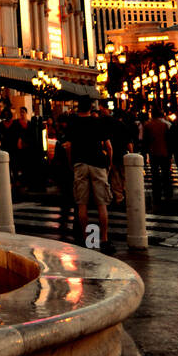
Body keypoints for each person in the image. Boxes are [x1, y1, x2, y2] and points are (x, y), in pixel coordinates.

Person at [63, 96, 113, 251]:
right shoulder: (98, 122)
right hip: (98, 163)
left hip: (80, 163)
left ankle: (87, 239)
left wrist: (72, 163)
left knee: (82, 204)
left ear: (78, 108)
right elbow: (109, 146)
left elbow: (69, 146)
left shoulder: (73, 123)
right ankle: (104, 239)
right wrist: (109, 164)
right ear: (91, 108)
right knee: (101, 204)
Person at [142, 105, 174, 206]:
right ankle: (168, 193)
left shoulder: (148, 125)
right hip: (165, 152)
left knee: (155, 174)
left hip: (153, 152)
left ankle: (157, 194)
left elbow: (145, 141)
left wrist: (146, 152)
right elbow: (170, 140)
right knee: (166, 173)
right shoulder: (167, 124)